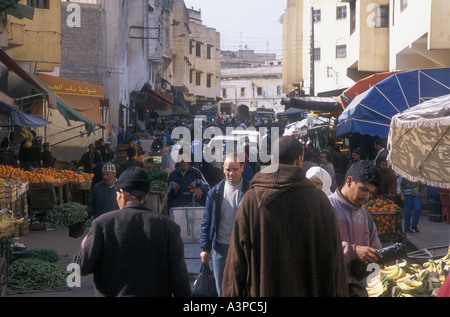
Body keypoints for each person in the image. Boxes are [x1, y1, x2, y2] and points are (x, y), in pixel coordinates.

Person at [222, 136, 348, 297]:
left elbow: (236, 263)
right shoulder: (319, 201)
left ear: (272, 159)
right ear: (299, 160)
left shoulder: (251, 200)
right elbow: (334, 260)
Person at [73, 166, 191, 297]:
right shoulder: (169, 227)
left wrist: (84, 247)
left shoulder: (103, 223)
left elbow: (80, 268)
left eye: (117, 194)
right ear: (145, 196)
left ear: (122, 194)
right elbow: (179, 278)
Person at [328, 160, 383, 297]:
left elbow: (375, 247)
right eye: (364, 189)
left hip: (359, 290)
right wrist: (353, 250)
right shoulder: (325, 207)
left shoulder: (365, 216)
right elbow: (317, 249)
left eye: (370, 192)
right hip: (330, 288)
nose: (366, 197)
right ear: (349, 181)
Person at [200, 153, 249, 296]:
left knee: (243, 288)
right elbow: (206, 222)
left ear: (242, 168)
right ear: (223, 169)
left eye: (235, 169)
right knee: (221, 289)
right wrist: (205, 248)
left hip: (243, 249)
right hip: (220, 248)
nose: (231, 173)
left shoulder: (250, 191)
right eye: (228, 169)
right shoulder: (214, 192)